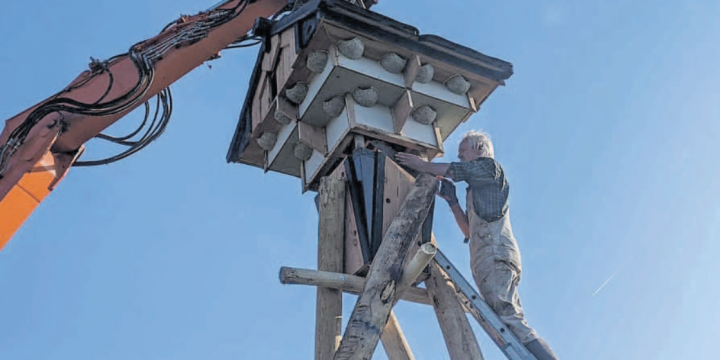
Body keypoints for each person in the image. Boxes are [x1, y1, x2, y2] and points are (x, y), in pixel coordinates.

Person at [395, 130, 559, 360]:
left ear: (479, 149)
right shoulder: (479, 188)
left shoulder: (489, 168)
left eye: (463, 152)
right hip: (489, 257)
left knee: (510, 320)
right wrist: (452, 201)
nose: (460, 157)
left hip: (494, 255)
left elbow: (456, 170)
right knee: (507, 321)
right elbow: (469, 231)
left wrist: (421, 165)